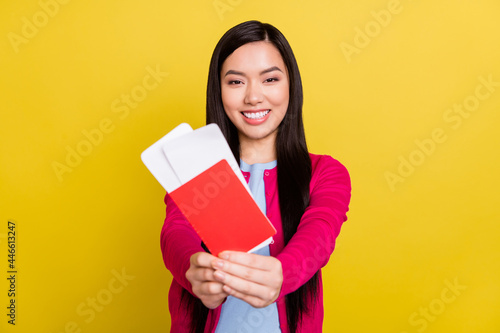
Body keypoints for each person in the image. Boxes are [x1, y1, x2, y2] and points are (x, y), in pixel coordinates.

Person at [160, 20, 351, 333]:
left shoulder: (324, 173)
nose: (253, 97)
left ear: (291, 85)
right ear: (218, 91)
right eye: (236, 82)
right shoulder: (195, 166)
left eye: (270, 79)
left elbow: (319, 236)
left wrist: (283, 272)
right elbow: (175, 231)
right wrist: (191, 267)